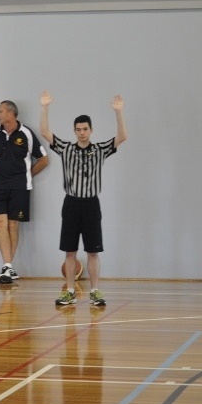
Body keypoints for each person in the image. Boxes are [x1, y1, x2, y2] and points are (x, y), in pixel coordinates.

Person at [39, 91, 127, 307]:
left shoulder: (99, 150)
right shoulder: (66, 149)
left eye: (85, 129)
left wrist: (118, 112)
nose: (81, 133)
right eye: (78, 130)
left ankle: (95, 291)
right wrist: (45, 107)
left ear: (91, 130)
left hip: (91, 204)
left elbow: (122, 137)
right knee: (70, 250)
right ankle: (69, 291)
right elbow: (44, 132)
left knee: (93, 251)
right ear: (74, 131)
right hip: (71, 203)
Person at [0, 100, 49, 284]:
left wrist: (27, 174)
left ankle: (8, 267)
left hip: (20, 187)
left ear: (11, 113)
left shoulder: (26, 133)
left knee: (12, 225)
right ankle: (8, 266)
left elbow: (43, 159)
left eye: (0, 111)